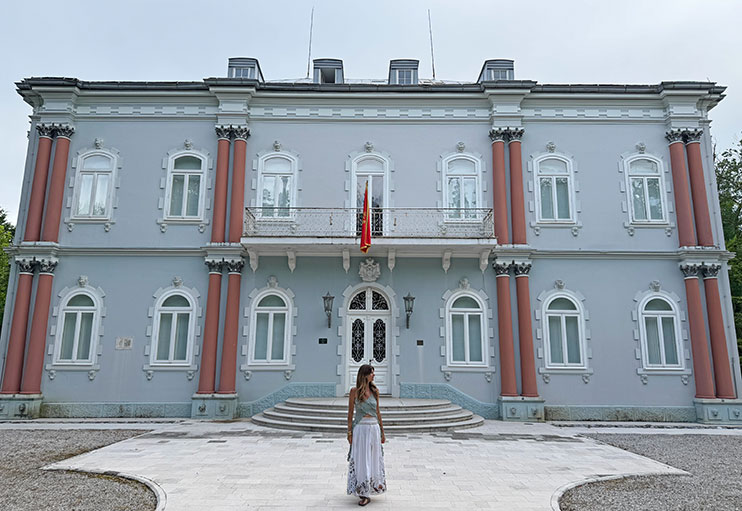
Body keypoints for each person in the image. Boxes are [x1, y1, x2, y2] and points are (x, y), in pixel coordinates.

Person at [347, 364, 386, 506]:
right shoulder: (354, 392)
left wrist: (382, 431)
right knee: (362, 459)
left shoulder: (375, 391)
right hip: (361, 429)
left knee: (375, 458)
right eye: (371, 373)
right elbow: (350, 414)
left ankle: (374, 485)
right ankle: (363, 492)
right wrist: (349, 432)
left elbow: (378, 412)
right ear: (364, 375)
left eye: (373, 373)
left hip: (374, 428)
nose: (373, 375)